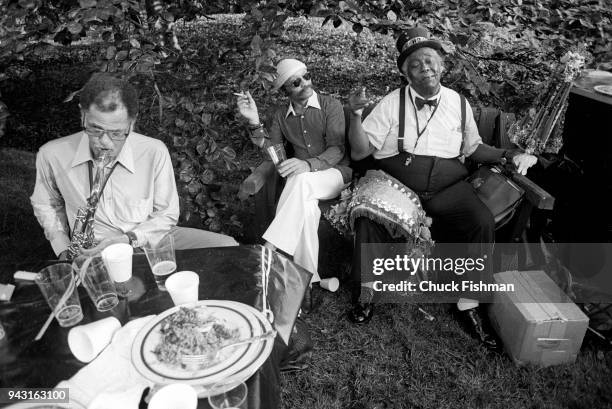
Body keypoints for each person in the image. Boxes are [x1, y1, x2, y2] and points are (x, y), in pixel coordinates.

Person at [346, 27, 537, 349]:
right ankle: (368, 291)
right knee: (369, 216)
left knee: (480, 221)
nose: (425, 67)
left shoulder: (458, 103)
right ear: (405, 72)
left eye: (431, 60)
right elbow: (361, 153)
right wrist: (354, 115)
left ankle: (468, 301)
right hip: (399, 184)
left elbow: (474, 148)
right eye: (416, 63)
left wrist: (510, 154)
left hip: (450, 187)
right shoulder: (391, 104)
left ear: (442, 66)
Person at [31, 73, 238, 259]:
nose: (105, 143)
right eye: (95, 129)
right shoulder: (52, 154)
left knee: (229, 247)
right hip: (93, 249)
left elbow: (167, 214)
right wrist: (63, 248)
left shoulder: (154, 151)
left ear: (132, 122)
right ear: (82, 115)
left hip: (149, 239)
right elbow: (45, 204)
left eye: (117, 133)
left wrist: (129, 239)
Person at [236, 59, 351, 283]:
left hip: (336, 175)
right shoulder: (280, 115)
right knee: (307, 209)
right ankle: (308, 280)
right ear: (285, 90)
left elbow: (337, 149)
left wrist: (308, 165)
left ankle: (269, 249)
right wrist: (254, 121)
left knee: (300, 179)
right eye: (296, 82)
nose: (305, 83)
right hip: (302, 186)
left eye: (306, 76)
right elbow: (275, 153)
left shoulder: (330, 105)